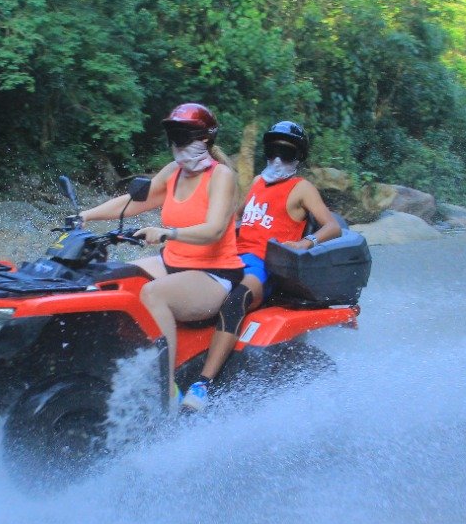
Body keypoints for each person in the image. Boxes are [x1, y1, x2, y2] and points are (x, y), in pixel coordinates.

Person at [78, 103, 243, 408]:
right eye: (174, 137)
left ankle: (166, 393)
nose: (177, 144)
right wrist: (84, 216)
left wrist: (170, 233)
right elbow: (132, 202)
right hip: (173, 263)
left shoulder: (221, 176)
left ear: (204, 139)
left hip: (215, 273)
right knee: (111, 280)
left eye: (184, 137)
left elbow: (215, 230)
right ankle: (104, 365)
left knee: (153, 294)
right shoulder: (173, 172)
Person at [181, 120, 342, 413]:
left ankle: (202, 385)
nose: (278, 159)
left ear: (298, 158)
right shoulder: (257, 181)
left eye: (287, 153)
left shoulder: (301, 188)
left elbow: (332, 226)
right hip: (233, 256)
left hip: (265, 266)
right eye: (274, 152)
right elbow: (239, 217)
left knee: (234, 300)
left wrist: (307, 243)